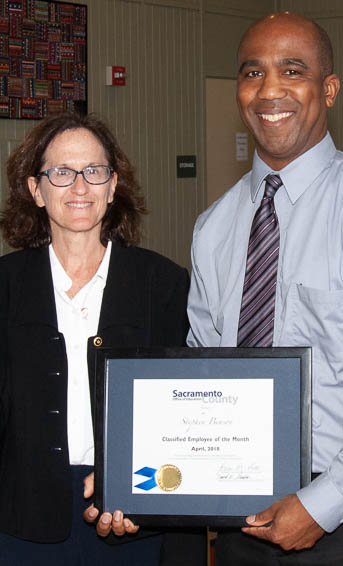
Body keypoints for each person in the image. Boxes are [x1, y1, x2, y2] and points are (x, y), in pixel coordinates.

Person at [187, 12, 343, 566]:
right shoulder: (214, 228)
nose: (269, 89)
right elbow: (202, 369)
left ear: (329, 89)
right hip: (240, 514)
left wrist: (323, 503)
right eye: (253, 73)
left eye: (292, 70)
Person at [0, 112, 206, 565]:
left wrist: (141, 486)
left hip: (134, 518)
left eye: (94, 172)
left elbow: (187, 408)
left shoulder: (164, 284)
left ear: (113, 187)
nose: (79, 187)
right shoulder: (6, 286)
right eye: (61, 172)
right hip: (22, 523)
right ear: (35, 189)